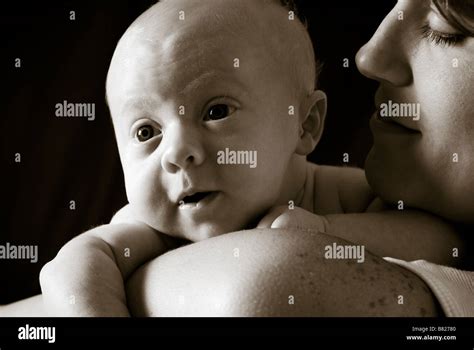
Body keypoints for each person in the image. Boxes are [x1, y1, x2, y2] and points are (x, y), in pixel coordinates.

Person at [2, 0, 469, 317]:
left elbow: (439, 243)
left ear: (304, 125)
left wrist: (324, 232)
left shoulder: (334, 194)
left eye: (216, 112)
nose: (177, 152)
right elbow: (70, 266)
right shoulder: (151, 229)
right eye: (147, 132)